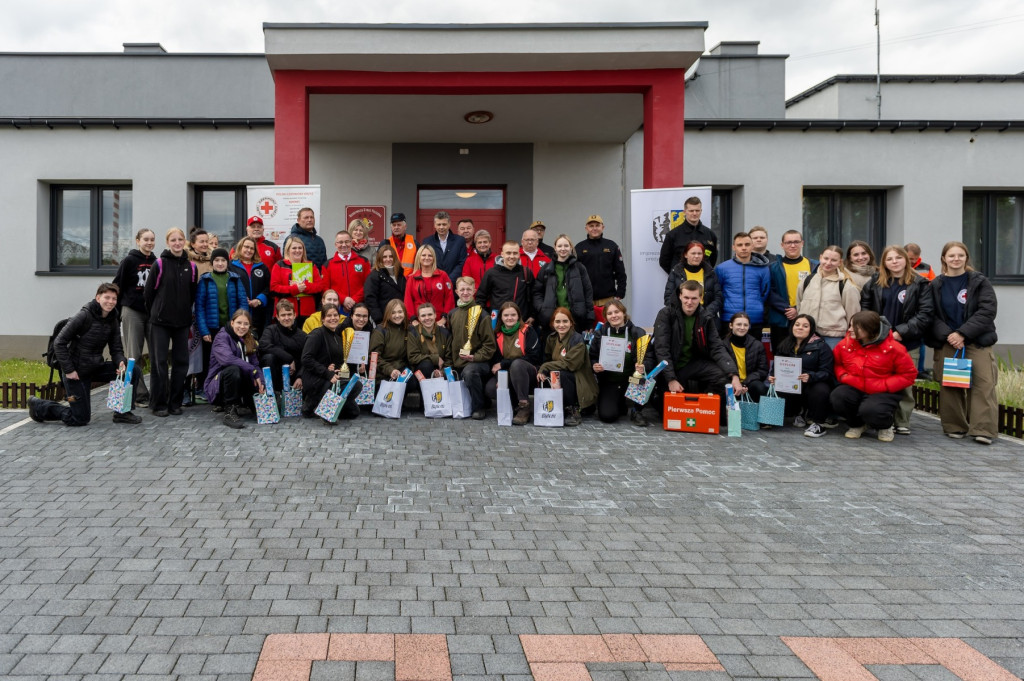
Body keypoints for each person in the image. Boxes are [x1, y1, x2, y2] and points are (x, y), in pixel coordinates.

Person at [28, 283, 144, 426]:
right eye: (106, 297)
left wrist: (120, 362)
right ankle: (39, 407)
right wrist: (69, 370)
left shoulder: (113, 319)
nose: (110, 302)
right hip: (76, 373)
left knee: (133, 371)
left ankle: (122, 412)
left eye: (114, 299)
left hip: (95, 367)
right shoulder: (84, 315)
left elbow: (116, 348)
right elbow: (59, 343)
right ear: (97, 298)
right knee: (80, 418)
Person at [927, 241, 999, 444]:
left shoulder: (979, 281)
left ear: (967, 258)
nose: (956, 259)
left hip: (977, 342)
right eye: (951, 256)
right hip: (949, 342)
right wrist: (950, 335)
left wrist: (963, 333)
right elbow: (930, 314)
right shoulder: (936, 284)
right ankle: (955, 426)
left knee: (984, 385)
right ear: (944, 259)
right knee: (951, 385)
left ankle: (983, 430)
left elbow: (987, 310)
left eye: (960, 255)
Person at [859, 245, 934, 434]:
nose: (894, 262)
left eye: (898, 258)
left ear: (906, 260)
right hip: (880, 341)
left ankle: (902, 422)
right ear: (884, 262)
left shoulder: (919, 283)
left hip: (908, 342)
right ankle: (883, 419)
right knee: (879, 382)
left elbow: (925, 314)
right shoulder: (875, 281)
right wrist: (876, 332)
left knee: (905, 384)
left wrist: (901, 332)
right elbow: (866, 307)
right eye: (890, 259)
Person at [652, 280, 744, 424]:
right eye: (686, 297)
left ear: (700, 298)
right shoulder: (666, 314)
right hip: (670, 366)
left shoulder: (706, 317)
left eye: (694, 298)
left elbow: (717, 347)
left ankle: (703, 407)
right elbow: (662, 349)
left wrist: (734, 375)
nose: (690, 302)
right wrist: (671, 379)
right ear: (680, 296)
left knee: (722, 378)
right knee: (664, 411)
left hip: (692, 363)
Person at [832, 310, 918, 442]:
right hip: (855, 385)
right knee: (838, 397)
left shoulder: (894, 348)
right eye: (850, 325)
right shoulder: (845, 344)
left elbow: (909, 374)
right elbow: (837, 364)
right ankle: (857, 424)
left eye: (855, 327)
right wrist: (844, 376)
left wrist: (885, 385)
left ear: (869, 329)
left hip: (883, 390)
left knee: (872, 410)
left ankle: (884, 426)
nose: (849, 330)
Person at [144, 227, 198, 417]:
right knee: (159, 363)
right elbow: (149, 294)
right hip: (159, 322)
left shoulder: (191, 267)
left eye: (180, 240)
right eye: (173, 240)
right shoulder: (159, 264)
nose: (177, 243)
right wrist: (157, 312)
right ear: (168, 243)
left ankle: (175, 403)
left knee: (181, 362)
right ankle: (159, 404)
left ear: (185, 242)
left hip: (182, 323)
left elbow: (192, 294)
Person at [769, 313, 835, 436]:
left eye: (805, 326)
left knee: (820, 390)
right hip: (791, 384)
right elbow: (776, 366)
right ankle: (796, 414)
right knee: (772, 387)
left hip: (812, 383)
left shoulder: (821, 346)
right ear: (792, 326)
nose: (800, 328)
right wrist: (773, 376)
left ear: (811, 329)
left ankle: (818, 423)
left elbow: (827, 372)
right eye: (797, 324)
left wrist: (811, 376)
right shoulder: (785, 344)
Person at [112, 228, 156, 407]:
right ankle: (139, 395)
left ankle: (158, 393)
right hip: (132, 311)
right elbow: (117, 285)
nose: (149, 242)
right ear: (138, 241)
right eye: (146, 239)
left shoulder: (157, 262)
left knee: (156, 354)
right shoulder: (129, 261)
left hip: (152, 313)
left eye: (152, 239)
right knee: (133, 355)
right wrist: (115, 311)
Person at [195, 248, 249, 395]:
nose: (220, 263)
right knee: (210, 360)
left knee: (231, 357)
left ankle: (230, 389)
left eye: (223, 260)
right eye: (217, 260)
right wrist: (204, 330)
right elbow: (199, 307)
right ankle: (209, 389)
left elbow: (243, 303)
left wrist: (242, 324)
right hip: (212, 328)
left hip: (231, 328)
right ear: (212, 263)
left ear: (227, 262)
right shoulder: (205, 280)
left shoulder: (235, 279)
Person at [589, 300, 649, 425]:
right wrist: (594, 365)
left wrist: (644, 366)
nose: (614, 315)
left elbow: (649, 357)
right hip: (610, 380)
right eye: (610, 313)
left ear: (623, 313)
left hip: (632, 379)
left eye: (617, 312)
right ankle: (620, 402)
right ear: (605, 317)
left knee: (647, 378)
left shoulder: (638, 333)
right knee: (607, 416)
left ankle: (637, 410)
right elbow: (592, 356)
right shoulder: (600, 333)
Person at [300, 304, 362, 423]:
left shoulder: (337, 336)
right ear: (323, 318)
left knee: (353, 412)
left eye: (335, 315)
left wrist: (336, 369)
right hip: (316, 380)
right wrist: (326, 372)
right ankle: (319, 405)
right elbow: (306, 359)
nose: (333, 318)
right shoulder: (316, 334)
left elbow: (332, 360)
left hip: (330, 377)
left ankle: (320, 405)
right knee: (356, 385)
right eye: (329, 315)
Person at [537, 308, 598, 427]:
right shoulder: (551, 338)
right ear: (553, 323)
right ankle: (556, 406)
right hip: (557, 376)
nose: (561, 325)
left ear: (571, 323)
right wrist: (543, 370)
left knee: (562, 373)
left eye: (565, 321)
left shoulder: (577, 339)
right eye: (558, 322)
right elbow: (548, 359)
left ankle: (573, 409)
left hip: (579, 379)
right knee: (545, 375)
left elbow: (570, 364)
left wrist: (545, 366)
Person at [205, 309, 265, 429]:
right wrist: (252, 370)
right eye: (239, 323)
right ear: (232, 323)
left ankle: (252, 403)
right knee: (233, 369)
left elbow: (255, 364)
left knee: (254, 373)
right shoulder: (221, 337)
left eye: (246, 324)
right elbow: (227, 359)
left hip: (242, 383)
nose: (242, 327)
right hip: (217, 386)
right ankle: (229, 411)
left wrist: (261, 381)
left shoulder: (249, 338)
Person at [485, 301, 542, 425]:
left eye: (513, 315)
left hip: (528, 372)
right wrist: (500, 377)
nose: (509, 318)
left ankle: (524, 406)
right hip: (507, 373)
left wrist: (505, 364)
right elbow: (495, 363)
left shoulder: (528, 331)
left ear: (518, 316)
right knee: (490, 389)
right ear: (501, 317)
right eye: (506, 315)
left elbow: (534, 357)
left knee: (517, 364)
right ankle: (513, 405)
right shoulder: (497, 334)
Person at [448, 277, 498, 419]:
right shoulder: (453, 314)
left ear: (474, 291)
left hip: (478, 362)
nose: (465, 292)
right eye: (462, 289)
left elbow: (489, 345)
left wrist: (475, 357)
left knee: (469, 373)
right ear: (456, 291)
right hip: (458, 360)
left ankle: (479, 407)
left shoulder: (482, 315)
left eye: (468, 289)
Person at [796, 245, 861, 348]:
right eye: (826, 258)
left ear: (840, 262)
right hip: (806, 336)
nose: (828, 263)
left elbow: (853, 315)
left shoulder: (846, 286)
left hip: (832, 339)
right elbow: (799, 307)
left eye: (834, 260)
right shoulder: (807, 281)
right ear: (820, 258)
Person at [767, 230, 817, 353]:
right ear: (782, 245)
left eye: (796, 242)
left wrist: (797, 308)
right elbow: (769, 291)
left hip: (806, 318)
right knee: (781, 356)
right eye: (789, 242)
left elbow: (816, 292)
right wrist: (788, 309)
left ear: (802, 243)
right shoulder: (773, 267)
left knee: (806, 356)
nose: (793, 245)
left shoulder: (814, 266)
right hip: (781, 320)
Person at [534, 234, 595, 332]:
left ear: (571, 247)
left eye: (566, 246)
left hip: (576, 320)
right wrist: (543, 309)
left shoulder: (580, 268)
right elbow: (537, 292)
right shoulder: (546, 269)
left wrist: (589, 319)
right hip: (552, 320)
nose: (563, 249)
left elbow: (588, 293)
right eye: (560, 246)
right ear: (555, 248)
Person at [714, 231, 771, 332]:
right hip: (729, 318)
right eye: (739, 245)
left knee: (754, 347)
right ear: (733, 247)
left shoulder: (763, 268)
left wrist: (756, 305)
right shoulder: (722, 268)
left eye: (747, 244)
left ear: (752, 246)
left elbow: (764, 292)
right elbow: (718, 292)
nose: (744, 248)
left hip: (754, 318)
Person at [575, 214, 627, 311]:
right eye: (591, 226)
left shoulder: (612, 246)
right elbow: (574, 275)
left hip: (608, 299)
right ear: (586, 228)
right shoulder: (579, 248)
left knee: (608, 325)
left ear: (602, 227)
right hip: (586, 299)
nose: (594, 228)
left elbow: (621, 272)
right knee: (589, 326)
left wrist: (620, 293)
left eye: (597, 225)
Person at [270, 236, 326, 326]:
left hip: (308, 312)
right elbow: (274, 288)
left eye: (300, 248)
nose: (297, 250)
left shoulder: (310, 265)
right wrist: (294, 289)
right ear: (288, 250)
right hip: (286, 313)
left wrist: (304, 287)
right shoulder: (279, 265)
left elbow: (320, 287)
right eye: (294, 248)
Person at [477, 240, 535, 323]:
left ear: (519, 254)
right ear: (502, 254)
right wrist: (485, 317)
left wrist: (532, 315)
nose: (512, 256)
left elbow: (533, 296)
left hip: (521, 322)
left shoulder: (526, 272)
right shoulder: (491, 273)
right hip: (497, 323)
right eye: (508, 253)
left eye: (515, 253)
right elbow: (480, 297)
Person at [663, 241, 722, 319]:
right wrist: (681, 312)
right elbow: (668, 297)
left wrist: (707, 313)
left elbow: (718, 297)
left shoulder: (710, 273)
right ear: (685, 254)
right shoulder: (676, 272)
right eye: (693, 253)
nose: (696, 256)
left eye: (699, 253)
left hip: (707, 318)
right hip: (681, 318)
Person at [659, 196, 719, 272]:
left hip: (704, 279)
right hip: (681, 281)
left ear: (701, 211)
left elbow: (713, 259)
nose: (694, 213)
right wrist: (677, 276)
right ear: (684, 212)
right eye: (691, 211)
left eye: (697, 210)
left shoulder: (710, 234)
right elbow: (664, 261)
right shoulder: (673, 235)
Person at [259, 299, 307, 393]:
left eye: (289, 314)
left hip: (295, 376)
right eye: (283, 315)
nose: (286, 318)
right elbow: (264, 345)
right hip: (274, 373)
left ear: (294, 315)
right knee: (269, 357)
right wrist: (289, 358)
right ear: (277, 317)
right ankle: (272, 394)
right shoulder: (270, 330)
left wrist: (300, 377)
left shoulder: (303, 336)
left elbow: (308, 358)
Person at [229, 236, 272, 335]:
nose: (249, 250)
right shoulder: (230, 266)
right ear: (240, 247)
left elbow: (269, 287)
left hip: (258, 315)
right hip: (237, 313)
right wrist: (241, 298)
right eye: (246, 247)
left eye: (252, 248)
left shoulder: (262, 267)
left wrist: (260, 300)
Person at [723, 312, 769, 402]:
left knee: (760, 388)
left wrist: (744, 384)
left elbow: (762, 371)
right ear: (731, 325)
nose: (742, 328)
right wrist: (733, 382)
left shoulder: (757, 345)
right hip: (729, 381)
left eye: (745, 325)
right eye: (739, 324)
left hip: (749, 382)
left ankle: (758, 415)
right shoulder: (722, 345)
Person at [323, 230, 370, 316]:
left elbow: (368, 285)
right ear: (335, 244)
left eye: (347, 242)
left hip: (359, 306)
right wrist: (343, 299)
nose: (344, 245)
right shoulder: (327, 265)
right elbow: (326, 289)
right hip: (337, 308)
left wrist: (354, 300)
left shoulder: (364, 261)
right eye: (340, 242)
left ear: (351, 243)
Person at [403, 245, 455, 322]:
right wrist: (413, 320)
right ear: (419, 258)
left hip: (439, 322)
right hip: (418, 323)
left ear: (433, 258)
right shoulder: (412, 278)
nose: (427, 258)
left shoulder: (443, 275)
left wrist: (444, 319)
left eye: (430, 255)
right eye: (423, 255)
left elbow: (449, 298)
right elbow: (408, 301)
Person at [369, 299, 412, 383]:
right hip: (384, 372)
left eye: (400, 312)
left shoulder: (408, 329)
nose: (397, 315)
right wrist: (390, 370)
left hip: (402, 369)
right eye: (393, 313)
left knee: (413, 381)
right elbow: (374, 357)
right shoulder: (380, 331)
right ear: (388, 314)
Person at [406, 302, 453, 377]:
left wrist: (442, 372)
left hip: (441, 370)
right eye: (423, 316)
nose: (427, 318)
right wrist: (435, 358)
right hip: (421, 372)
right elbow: (413, 357)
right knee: (427, 365)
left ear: (435, 315)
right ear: (419, 318)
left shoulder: (445, 333)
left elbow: (449, 358)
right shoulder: (413, 333)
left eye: (430, 314)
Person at [364, 244, 406, 325]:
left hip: (401, 318)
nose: (388, 259)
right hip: (384, 321)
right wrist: (379, 320)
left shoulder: (401, 275)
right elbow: (370, 299)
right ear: (380, 258)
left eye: (391, 256)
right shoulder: (374, 276)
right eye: (384, 257)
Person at [421, 210, 467, 281]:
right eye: (439, 224)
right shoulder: (427, 241)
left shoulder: (460, 241)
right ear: (434, 225)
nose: (441, 227)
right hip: (433, 282)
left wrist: (448, 280)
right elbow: (425, 262)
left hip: (453, 283)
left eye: (444, 224)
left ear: (449, 224)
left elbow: (461, 263)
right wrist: (438, 279)